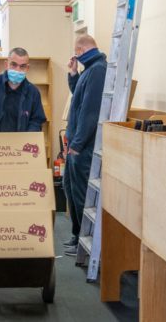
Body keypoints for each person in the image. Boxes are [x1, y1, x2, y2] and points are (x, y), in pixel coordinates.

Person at [62, 34, 107, 256]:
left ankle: (83, 240)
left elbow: (91, 112)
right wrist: (73, 74)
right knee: (69, 188)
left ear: (80, 50)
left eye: (76, 53)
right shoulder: (89, 70)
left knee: (80, 193)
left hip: (83, 146)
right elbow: (79, 98)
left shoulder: (98, 69)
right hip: (75, 143)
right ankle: (76, 234)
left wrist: (77, 144)